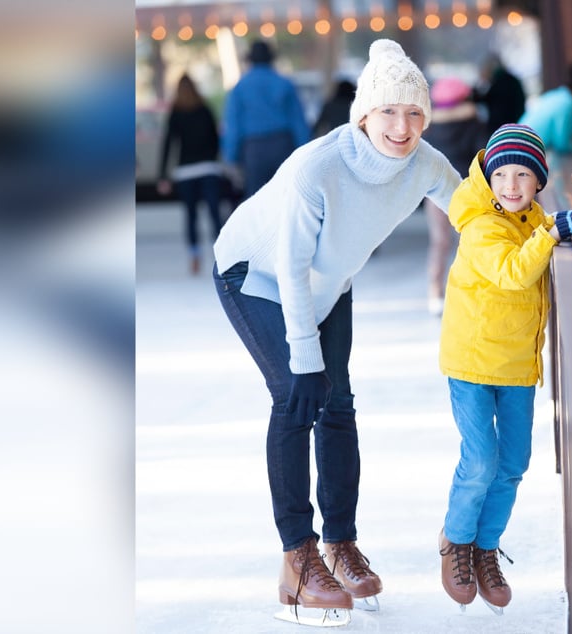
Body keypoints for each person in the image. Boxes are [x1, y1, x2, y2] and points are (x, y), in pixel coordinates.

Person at [212, 39, 462, 623]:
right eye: (389, 112)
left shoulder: (423, 161)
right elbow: (292, 265)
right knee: (297, 398)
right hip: (257, 274)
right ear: (364, 114)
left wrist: (539, 225)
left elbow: (474, 211)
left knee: (340, 406)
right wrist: (304, 356)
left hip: (331, 282)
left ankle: (340, 543)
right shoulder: (315, 169)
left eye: (415, 112)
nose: (402, 127)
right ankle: (296, 562)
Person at [436, 124, 572, 612]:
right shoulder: (482, 225)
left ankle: (486, 548)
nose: (511, 184)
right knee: (482, 458)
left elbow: (548, 238)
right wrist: (554, 231)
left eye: (523, 175)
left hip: (516, 364)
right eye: (502, 173)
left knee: (512, 466)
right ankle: (456, 541)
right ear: (488, 178)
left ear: (538, 183)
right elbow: (512, 273)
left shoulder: (532, 218)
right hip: (472, 359)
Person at [421, 77, 485, 315]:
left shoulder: (429, 128)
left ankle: (435, 293)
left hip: (435, 191)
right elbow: (483, 156)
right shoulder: (475, 122)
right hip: (468, 191)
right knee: (470, 241)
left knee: (439, 242)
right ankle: (472, 292)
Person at [221, 40, 311, 200]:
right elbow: (298, 122)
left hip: (254, 149)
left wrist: (231, 157)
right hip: (283, 145)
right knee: (286, 195)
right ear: (271, 59)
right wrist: (305, 150)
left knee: (256, 199)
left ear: (250, 60)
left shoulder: (240, 87)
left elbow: (234, 125)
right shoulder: (285, 84)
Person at [157, 73, 224, 275]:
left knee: (191, 215)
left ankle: (194, 256)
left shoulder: (175, 112)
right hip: (208, 168)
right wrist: (213, 158)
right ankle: (221, 255)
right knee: (214, 213)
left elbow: (169, 143)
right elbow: (215, 137)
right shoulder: (204, 109)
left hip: (185, 170)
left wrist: (163, 175)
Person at [519, 62, 572, 165]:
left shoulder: (559, 95)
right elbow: (562, 145)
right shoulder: (567, 104)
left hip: (521, 146)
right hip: (528, 153)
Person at [473, 55, 527, 137]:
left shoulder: (498, 82)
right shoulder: (512, 80)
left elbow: (484, 98)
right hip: (516, 124)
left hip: (500, 127)